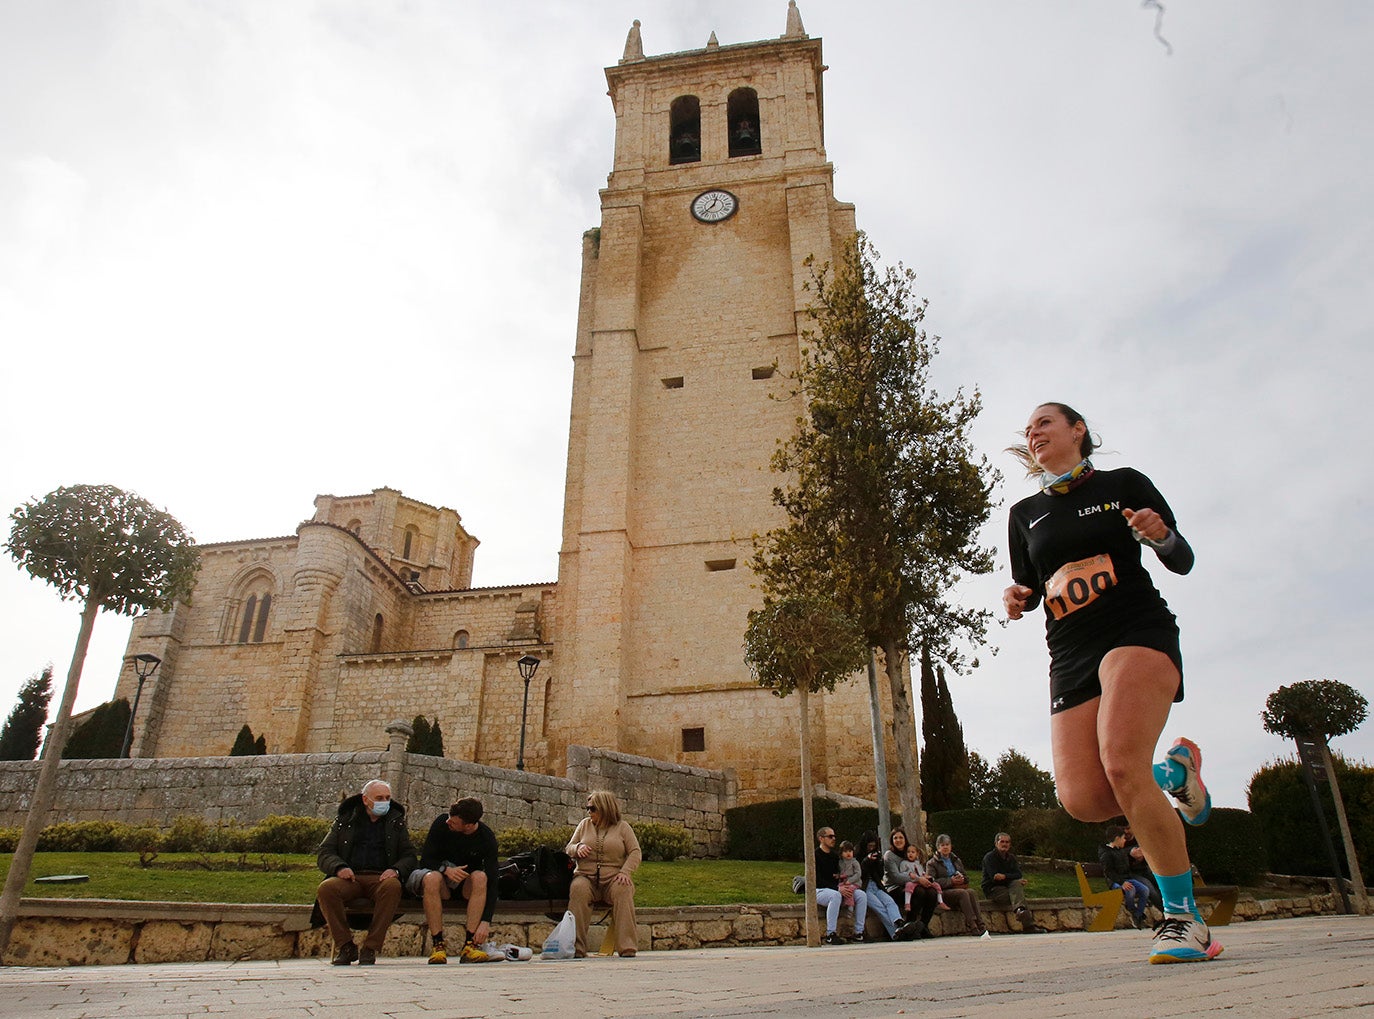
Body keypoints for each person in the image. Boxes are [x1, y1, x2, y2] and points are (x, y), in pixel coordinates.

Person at [1003, 402, 1221, 964]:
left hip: (1133, 630)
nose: (1034, 433)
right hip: (1069, 652)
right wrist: (1017, 597)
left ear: (1077, 430)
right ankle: (1174, 774)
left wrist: (1161, 536)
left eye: (1045, 423)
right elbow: (1030, 586)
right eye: (1028, 430)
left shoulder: (1122, 483)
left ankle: (1184, 919)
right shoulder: (1024, 514)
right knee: (1084, 800)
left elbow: (1181, 558)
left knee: (1122, 763)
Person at [314, 779, 416, 966]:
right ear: (365, 799)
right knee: (327, 889)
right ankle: (345, 945)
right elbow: (325, 852)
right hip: (351, 877)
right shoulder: (345, 820)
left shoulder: (395, 822)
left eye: (387, 798)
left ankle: (371, 947)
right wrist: (339, 867)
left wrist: (395, 870)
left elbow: (409, 856)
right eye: (379, 798)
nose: (384, 802)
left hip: (380, 878)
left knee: (393, 887)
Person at [406, 797, 500, 964]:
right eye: (449, 817)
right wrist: (446, 870)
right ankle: (438, 945)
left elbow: (493, 881)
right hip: (441, 884)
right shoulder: (442, 824)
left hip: (465, 888)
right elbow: (426, 859)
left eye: (454, 821)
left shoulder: (486, 837)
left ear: (468, 826)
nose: (448, 822)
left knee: (480, 877)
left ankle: (470, 945)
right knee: (432, 878)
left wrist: (486, 921)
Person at [565, 789, 641, 958]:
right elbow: (569, 847)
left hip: (612, 879)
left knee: (623, 888)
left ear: (604, 808)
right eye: (587, 808)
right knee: (578, 888)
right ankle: (576, 948)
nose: (589, 812)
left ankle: (627, 947)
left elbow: (635, 852)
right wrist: (577, 848)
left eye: (592, 808)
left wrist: (625, 872)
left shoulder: (622, 827)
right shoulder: (584, 825)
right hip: (586, 877)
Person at [856, 830, 917, 941]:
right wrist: (866, 861)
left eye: (873, 846)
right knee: (880, 908)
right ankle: (896, 933)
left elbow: (880, 875)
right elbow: (859, 873)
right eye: (869, 846)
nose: (871, 849)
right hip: (864, 887)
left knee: (890, 902)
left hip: (877, 886)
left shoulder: (877, 855)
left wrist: (879, 862)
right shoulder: (858, 855)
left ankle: (899, 922)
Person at [812, 825, 867, 944]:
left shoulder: (835, 857)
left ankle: (859, 933)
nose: (834, 839)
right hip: (819, 890)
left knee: (861, 895)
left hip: (837, 888)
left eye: (834, 836)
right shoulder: (815, 855)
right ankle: (830, 934)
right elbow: (816, 880)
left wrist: (844, 885)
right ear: (821, 838)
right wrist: (838, 888)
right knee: (835, 895)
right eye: (830, 836)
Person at [927, 834, 988, 938]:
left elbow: (966, 876)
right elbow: (932, 881)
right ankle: (972, 925)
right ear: (938, 847)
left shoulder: (956, 860)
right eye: (942, 845)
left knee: (971, 892)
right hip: (943, 893)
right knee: (963, 893)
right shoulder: (932, 863)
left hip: (958, 887)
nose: (945, 847)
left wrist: (962, 879)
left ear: (951, 846)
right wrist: (950, 881)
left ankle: (981, 924)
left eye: (947, 844)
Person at [981, 832, 1043, 933]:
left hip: (1009, 888)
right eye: (1002, 842)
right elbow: (995, 878)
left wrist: (1005, 877)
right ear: (996, 843)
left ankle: (1020, 911)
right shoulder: (989, 858)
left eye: (1007, 842)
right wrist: (1011, 878)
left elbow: (1018, 874)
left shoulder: (1011, 858)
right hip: (993, 890)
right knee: (1018, 893)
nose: (1004, 844)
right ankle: (1028, 925)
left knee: (1017, 887)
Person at [884, 829, 941, 934]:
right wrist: (918, 879)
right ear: (892, 840)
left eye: (901, 837)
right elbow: (896, 877)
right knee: (919, 891)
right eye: (895, 838)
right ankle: (909, 925)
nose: (898, 840)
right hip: (895, 888)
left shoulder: (910, 851)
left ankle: (923, 926)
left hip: (913, 884)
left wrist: (925, 878)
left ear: (905, 839)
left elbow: (918, 869)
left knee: (932, 892)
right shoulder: (889, 855)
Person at [1100, 826, 1153, 928]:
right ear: (1117, 838)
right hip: (1115, 882)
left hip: (1127, 879)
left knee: (1145, 890)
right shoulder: (1106, 853)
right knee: (1130, 889)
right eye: (1123, 838)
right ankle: (1131, 909)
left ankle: (1138, 915)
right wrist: (1122, 882)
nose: (1125, 840)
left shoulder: (1121, 851)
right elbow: (1109, 872)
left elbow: (1126, 868)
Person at [1123, 823, 1163, 912]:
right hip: (1129, 874)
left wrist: (1143, 856)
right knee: (1150, 889)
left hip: (1144, 869)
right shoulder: (1118, 839)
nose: (1125, 831)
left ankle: (1177, 910)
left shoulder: (1140, 837)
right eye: (1123, 829)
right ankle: (1167, 913)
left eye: (1128, 828)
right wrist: (1129, 853)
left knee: (1164, 883)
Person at [837, 841, 862, 907]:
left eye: (850, 851)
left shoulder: (854, 862)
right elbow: (841, 872)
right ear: (841, 853)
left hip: (855, 882)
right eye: (845, 851)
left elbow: (858, 873)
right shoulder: (840, 863)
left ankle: (850, 905)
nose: (848, 853)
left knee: (849, 889)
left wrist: (850, 880)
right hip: (844, 881)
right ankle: (842, 902)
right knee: (840, 887)